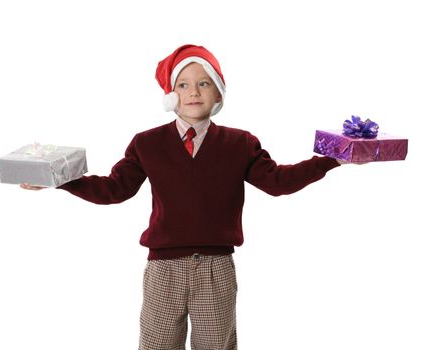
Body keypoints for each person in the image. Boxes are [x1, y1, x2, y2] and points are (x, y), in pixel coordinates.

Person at [21, 44, 344, 350]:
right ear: (171, 94)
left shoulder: (240, 143)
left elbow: (277, 182)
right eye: (184, 84)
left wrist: (333, 158)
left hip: (216, 267)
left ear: (218, 91)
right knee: (158, 344)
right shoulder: (147, 143)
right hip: (163, 268)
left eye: (204, 83)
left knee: (216, 345)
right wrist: (59, 179)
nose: (193, 92)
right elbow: (114, 190)